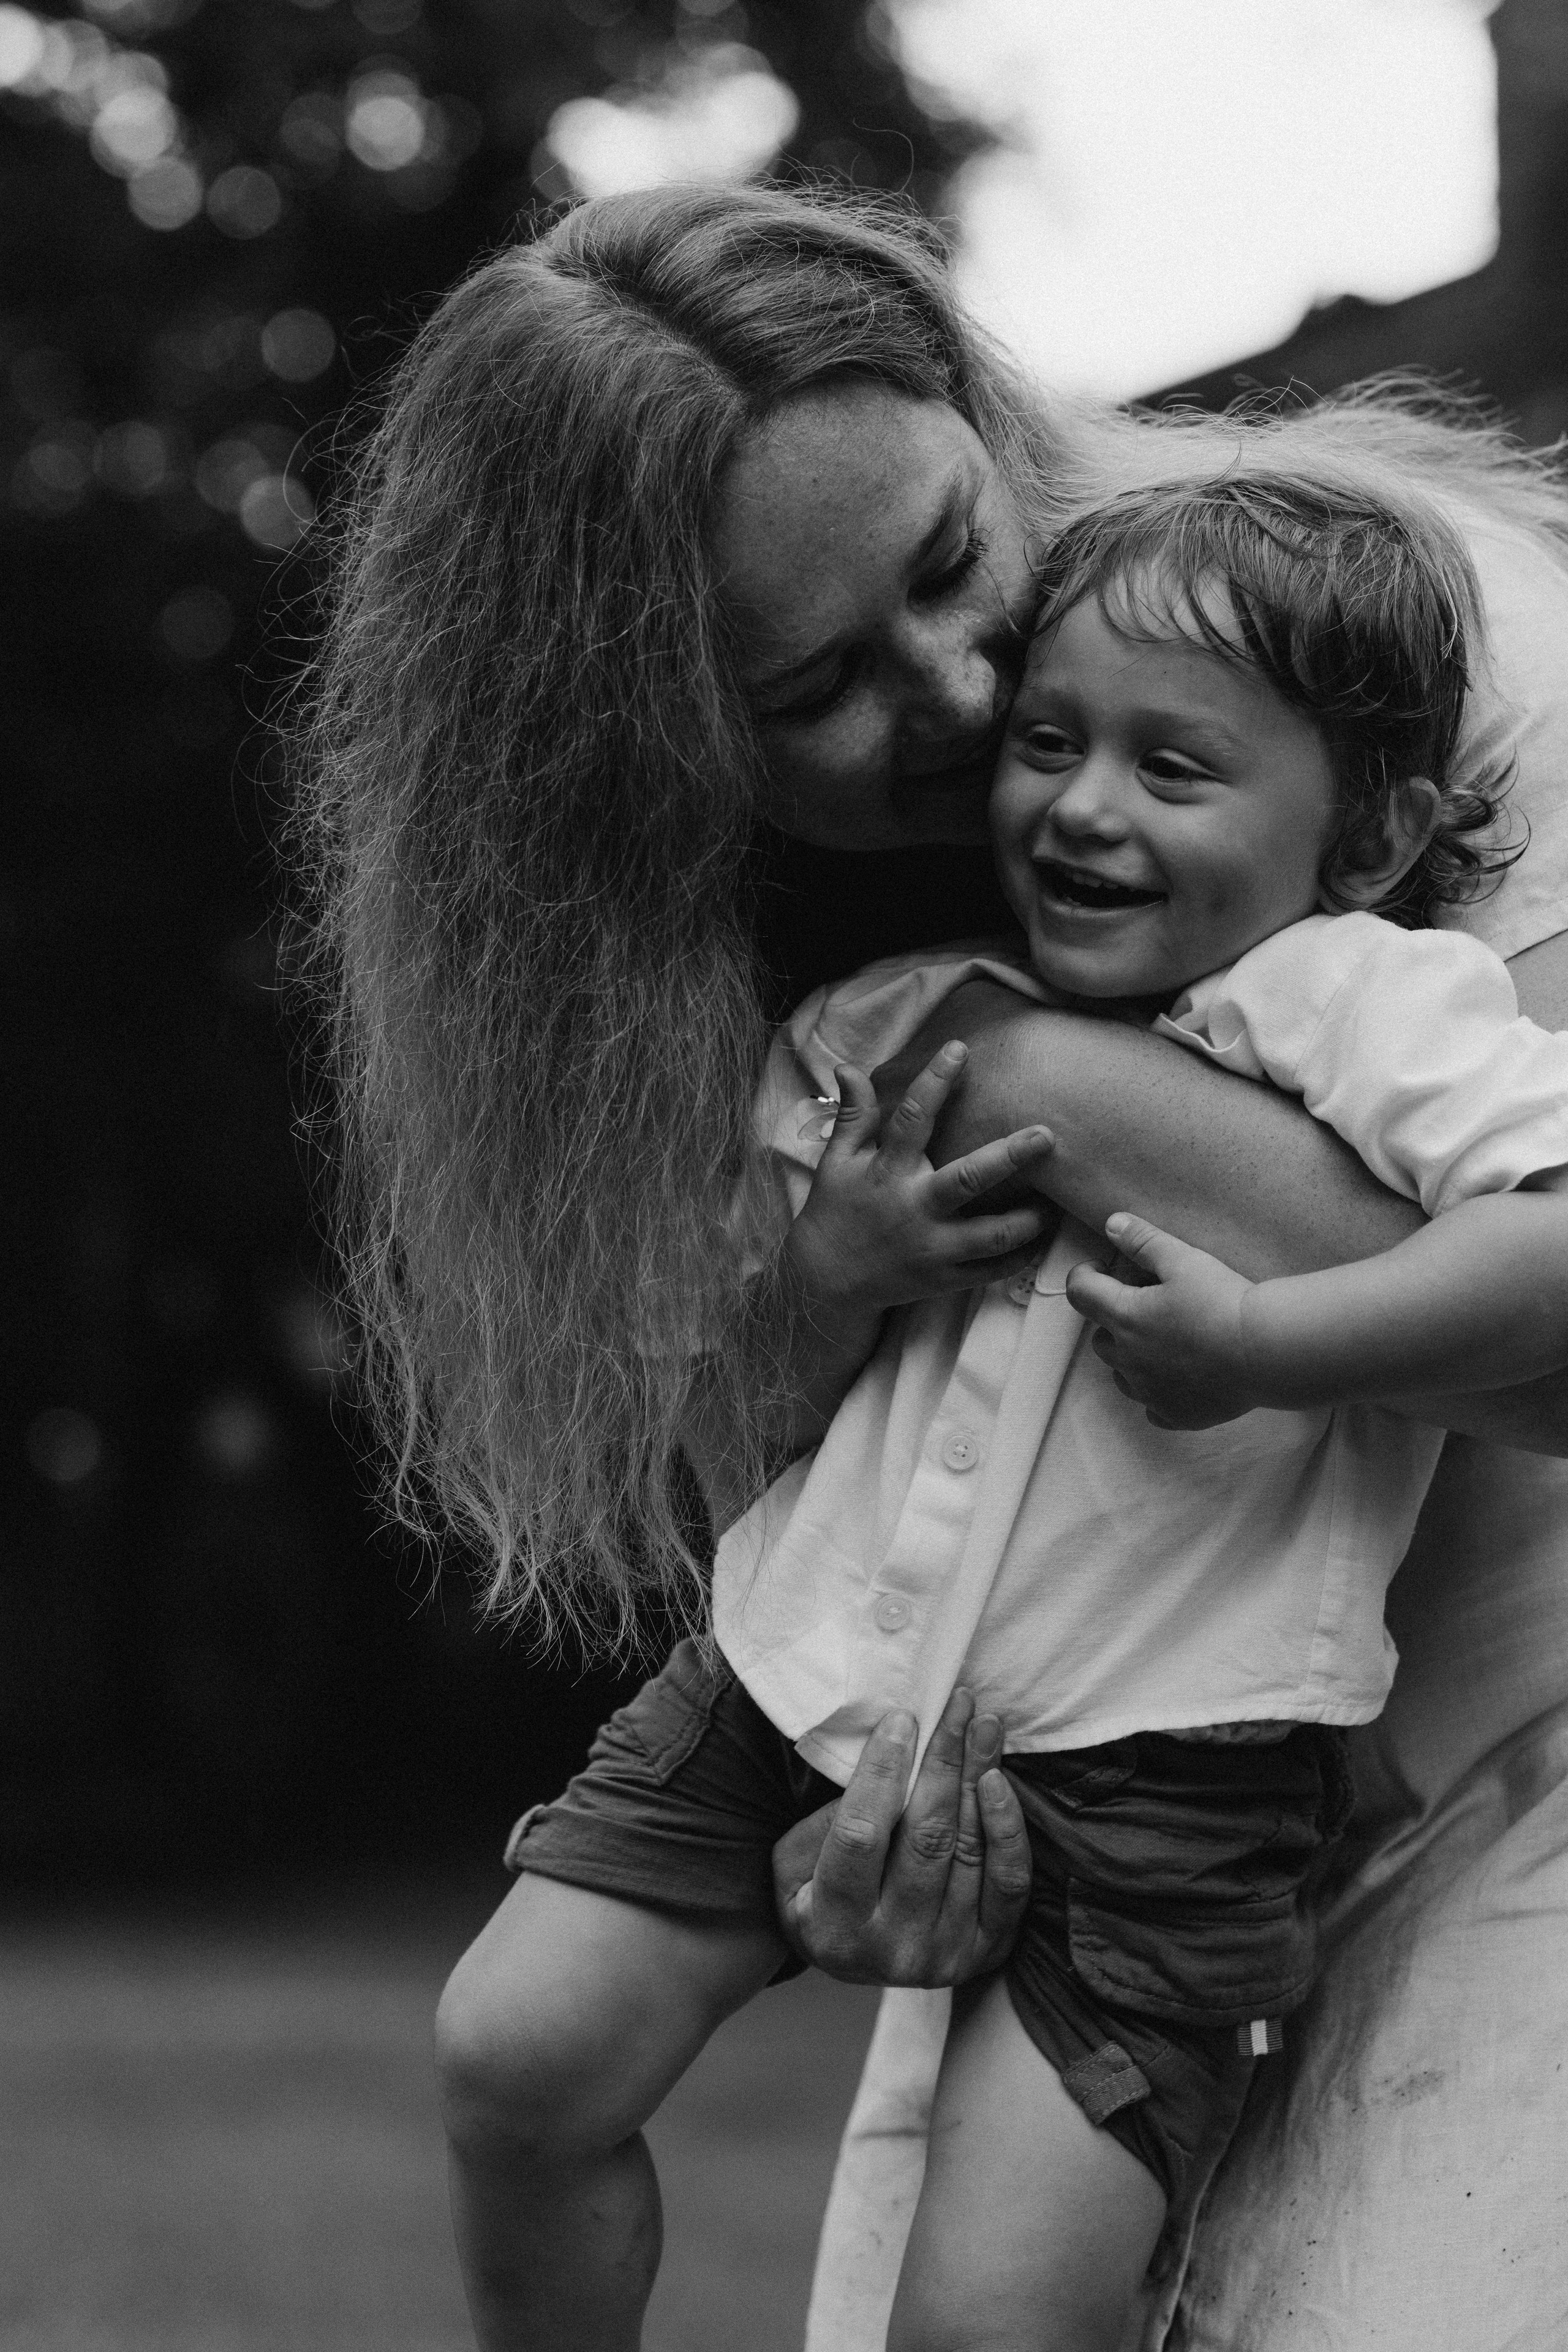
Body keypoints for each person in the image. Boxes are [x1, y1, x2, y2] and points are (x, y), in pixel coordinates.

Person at [290, 183, 1568, 2350]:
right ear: (661, 766)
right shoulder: (733, 966)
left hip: (1494, 1727)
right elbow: (757, 1460)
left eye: (958, 565)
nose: (974, 702)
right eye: (817, 688)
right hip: (1024, 1702)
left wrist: (1003, 1057)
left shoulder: (1365, 650)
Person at [614, 474, 1565, 2350]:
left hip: (1367, 1754)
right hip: (1010, 1729)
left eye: (961, 570)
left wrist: (1266, 1334)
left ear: (1375, 835)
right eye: (1050, 740)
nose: (1018, 751)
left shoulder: (1361, 925)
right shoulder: (895, 988)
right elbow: (723, 1432)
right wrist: (839, 1276)